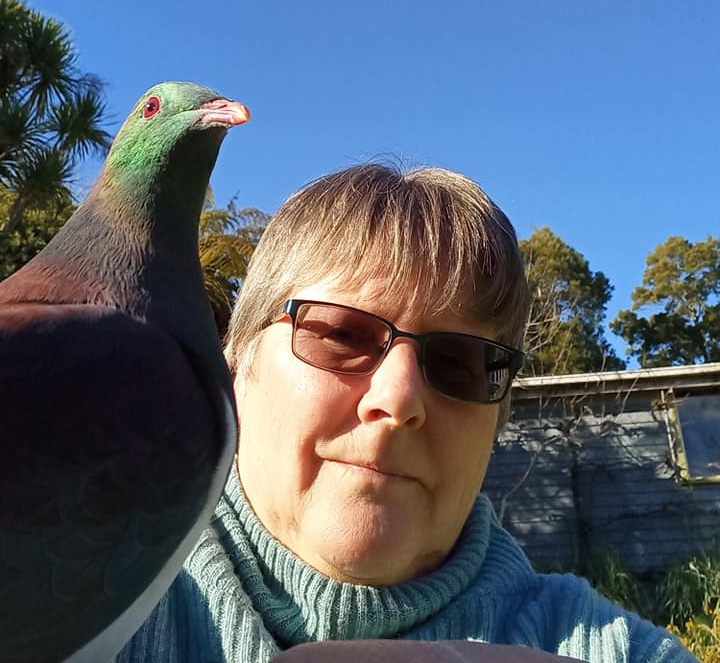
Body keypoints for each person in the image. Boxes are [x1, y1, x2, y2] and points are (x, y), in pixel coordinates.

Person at [117, 163, 695, 663]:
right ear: (235, 361)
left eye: (461, 361)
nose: (397, 400)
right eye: (341, 334)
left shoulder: (612, 650)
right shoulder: (74, 598)